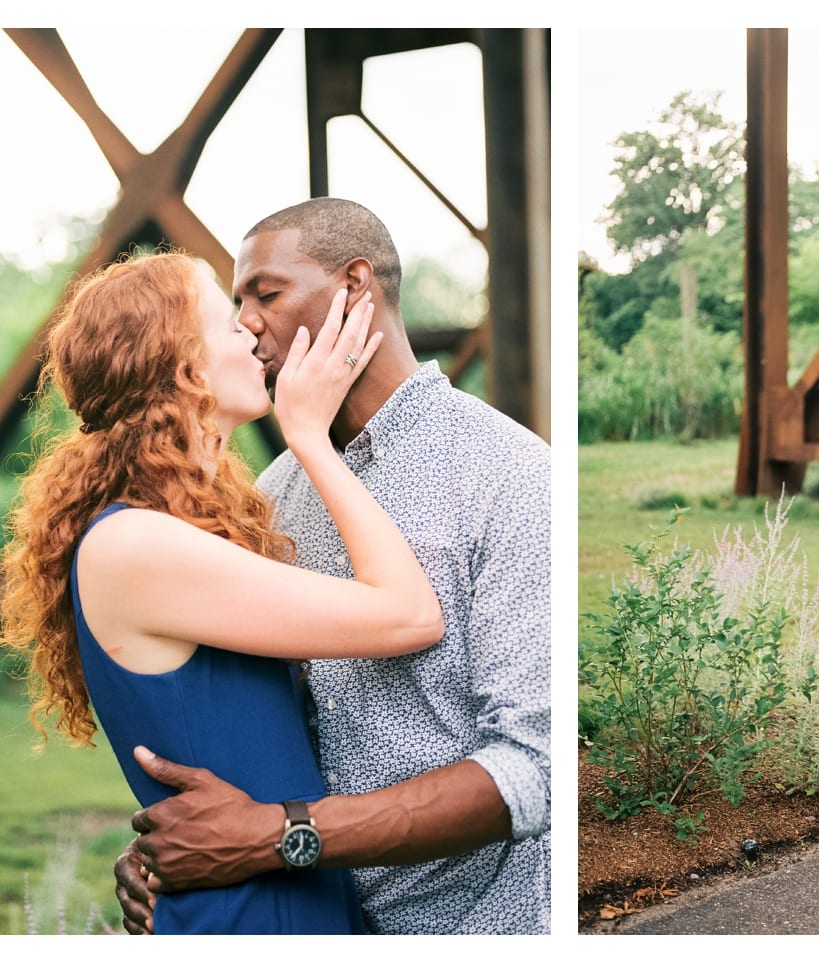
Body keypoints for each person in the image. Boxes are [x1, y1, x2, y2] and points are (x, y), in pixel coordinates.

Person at [112, 197, 552, 934]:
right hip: (312, 918)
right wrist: (175, 847)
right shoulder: (273, 495)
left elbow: (534, 770)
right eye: (237, 301)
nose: (246, 321)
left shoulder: (509, 474)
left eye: (267, 293)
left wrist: (278, 834)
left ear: (355, 287)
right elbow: (263, 723)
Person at [0, 250, 446, 933]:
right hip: (247, 918)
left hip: (283, 898)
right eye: (227, 321)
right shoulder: (134, 544)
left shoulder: (183, 531)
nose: (252, 331)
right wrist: (311, 440)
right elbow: (410, 614)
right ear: (187, 368)